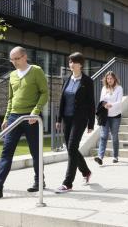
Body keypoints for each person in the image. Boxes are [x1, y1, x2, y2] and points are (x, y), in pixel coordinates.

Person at [0, 46, 48, 198]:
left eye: (16, 59)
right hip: (14, 117)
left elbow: (44, 93)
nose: (14, 62)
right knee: (6, 152)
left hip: (31, 118)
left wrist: (35, 112)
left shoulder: (36, 70)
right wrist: (6, 117)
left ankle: (39, 181)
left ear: (24, 57)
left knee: (35, 152)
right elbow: (10, 98)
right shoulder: (13, 75)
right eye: (12, 60)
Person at [55, 52, 95, 193]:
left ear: (81, 64)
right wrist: (59, 119)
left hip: (80, 118)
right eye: (70, 62)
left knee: (72, 146)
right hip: (67, 118)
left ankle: (68, 183)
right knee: (71, 148)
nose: (71, 64)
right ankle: (86, 171)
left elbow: (91, 103)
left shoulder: (87, 81)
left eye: (74, 62)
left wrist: (91, 123)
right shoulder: (66, 79)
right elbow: (62, 100)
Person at [94, 71, 123, 165]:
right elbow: (101, 100)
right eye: (108, 78)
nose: (109, 80)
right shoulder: (104, 88)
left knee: (114, 136)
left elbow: (119, 101)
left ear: (114, 79)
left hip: (116, 116)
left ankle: (115, 156)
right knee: (103, 136)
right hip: (105, 115)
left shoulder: (119, 88)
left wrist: (111, 105)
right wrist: (104, 104)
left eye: (111, 78)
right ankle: (100, 157)